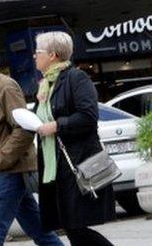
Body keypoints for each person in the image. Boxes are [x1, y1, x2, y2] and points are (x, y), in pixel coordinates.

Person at [0, 40, 62, 246]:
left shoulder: (5, 86)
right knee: (39, 230)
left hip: (12, 170)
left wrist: (0, 159)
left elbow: (24, 129)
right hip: (9, 170)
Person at [34, 31, 115, 245]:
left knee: (76, 227)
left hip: (75, 163)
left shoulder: (76, 78)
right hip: (54, 166)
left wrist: (57, 125)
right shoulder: (46, 86)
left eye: (38, 51)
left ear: (52, 55)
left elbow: (88, 116)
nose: (34, 56)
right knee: (70, 227)